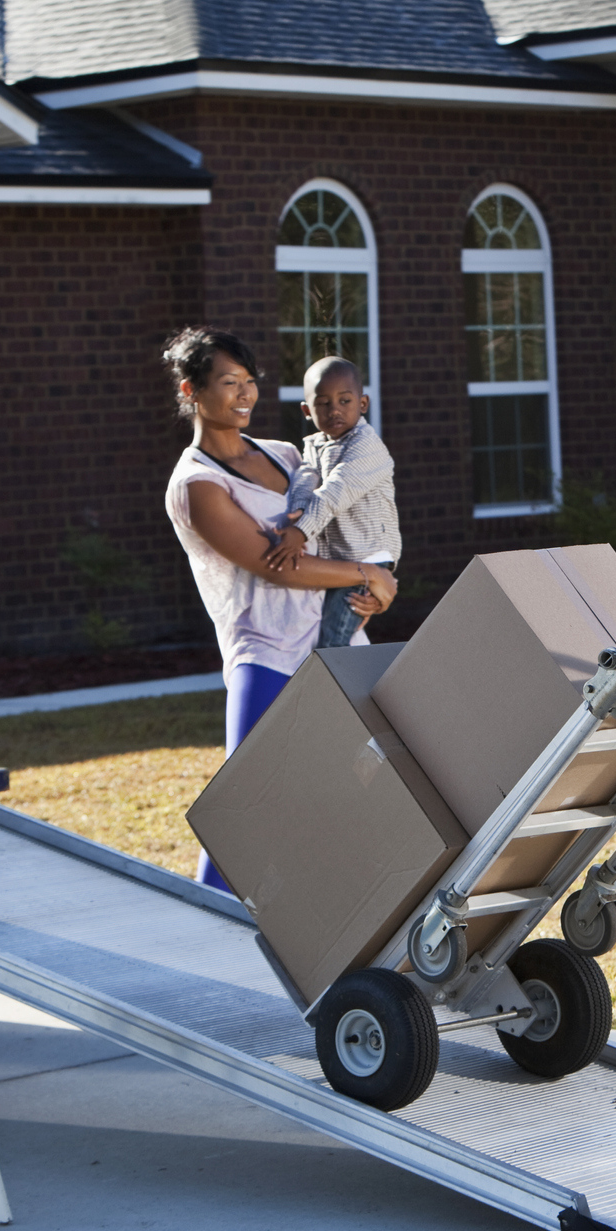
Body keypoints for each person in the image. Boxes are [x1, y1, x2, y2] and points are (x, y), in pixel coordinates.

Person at [160, 327, 397, 888]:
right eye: (228, 384)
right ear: (192, 390)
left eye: (249, 383)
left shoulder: (289, 454)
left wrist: (373, 588)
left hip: (335, 641)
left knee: (369, 793)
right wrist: (368, 574)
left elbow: (337, 534)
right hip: (264, 654)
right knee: (241, 810)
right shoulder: (196, 486)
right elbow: (275, 564)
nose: (244, 396)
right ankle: (208, 935)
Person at [262, 357, 401, 647]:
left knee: (334, 636)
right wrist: (298, 508)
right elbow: (307, 475)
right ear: (306, 410)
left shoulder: (366, 445)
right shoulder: (315, 443)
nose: (334, 410)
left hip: (368, 553)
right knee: (325, 626)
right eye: (323, 403)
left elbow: (336, 491)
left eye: (344, 400)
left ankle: (331, 687)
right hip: (342, 556)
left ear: (363, 404)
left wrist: (300, 531)